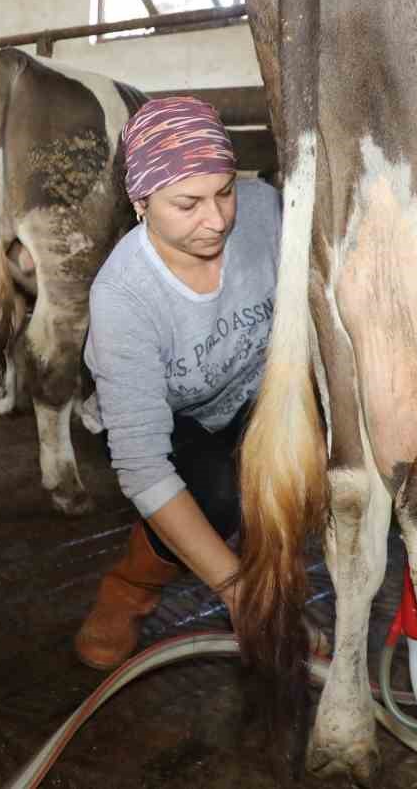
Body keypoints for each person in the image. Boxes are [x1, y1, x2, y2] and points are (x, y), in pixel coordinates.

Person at [73, 95, 280, 670]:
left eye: (224, 191)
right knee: (212, 494)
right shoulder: (123, 296)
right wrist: (234, 591)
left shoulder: (266, 212)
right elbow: (142, 467)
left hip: (254, 392)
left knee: (287, 478)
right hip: (177, 418)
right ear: (140, 203)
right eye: (187, 203)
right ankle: (129, 593)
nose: (215, 220)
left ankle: (276, 598)